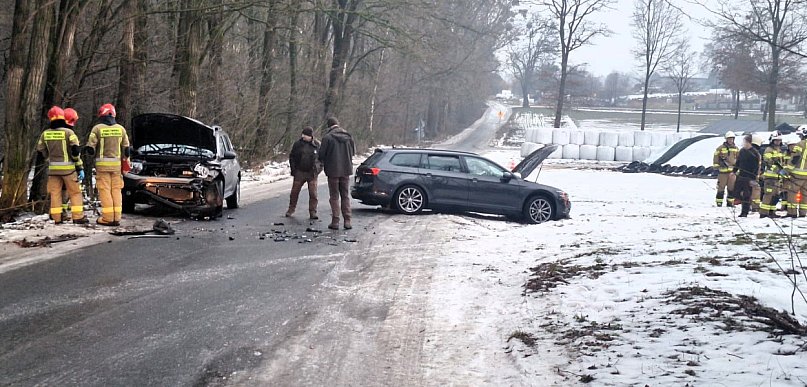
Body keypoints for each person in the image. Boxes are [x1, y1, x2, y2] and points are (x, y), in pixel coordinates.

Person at [36, 106, 88, 224]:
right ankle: (78, 217)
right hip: (68, 170)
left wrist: (48, 158)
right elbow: (75, 150)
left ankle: (56, 218)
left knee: (55, 194)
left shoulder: (45, 134)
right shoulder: (69, 132)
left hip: (53, 170)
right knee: (75, 193)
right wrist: (78, 166)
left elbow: (40, 149)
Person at [85, 103, 130, 226]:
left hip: (102, 166)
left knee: (105, 190)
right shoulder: (121, 129)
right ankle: (117, 217)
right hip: (116, 167)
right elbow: (127, 150)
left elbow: (90, 148)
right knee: (116, 190)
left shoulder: (97, 129)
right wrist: (126, 165)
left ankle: (108, 218)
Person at [318, 117, 355, 230]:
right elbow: (353, 152)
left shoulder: (327, 138)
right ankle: (347, 221)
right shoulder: (349, 137)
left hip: (333, 171)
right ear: (338, 124)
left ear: (329, 126)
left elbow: (321, 155)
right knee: (345, 196)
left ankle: (335, 221)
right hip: (346, 170)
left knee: (334, 196)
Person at [285, 126, 321, 219]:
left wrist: (318, 169)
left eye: (305, 135)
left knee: (313, 193)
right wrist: (294, 169)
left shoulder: (317, 145)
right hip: (300, 171)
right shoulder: (297, 144)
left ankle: (313, 212)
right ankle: (291, 209)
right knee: (294, 192)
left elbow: (322, 159)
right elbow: (292, 156)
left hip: (312, 173)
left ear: (310, 136)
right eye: (303, 134)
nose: (303, 136)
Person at [734, 134, 762, 217]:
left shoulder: (754, 153)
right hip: (741, 176)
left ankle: (744, 212)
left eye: (745, 142)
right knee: (737, 193)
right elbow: (738, 162)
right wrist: (734, 171)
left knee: (746, 194)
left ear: (749, 143)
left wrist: (753, 177)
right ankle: (741, 204)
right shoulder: (742, 151)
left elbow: (756, 166)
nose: (744, 144)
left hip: (749, 177)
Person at [760, 133, 785, 218]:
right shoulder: (768, 150)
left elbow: (782, 162)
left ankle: (772, 212)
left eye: (779, 140)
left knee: (776, 195)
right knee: (768, 194)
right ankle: (763, 213)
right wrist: (778, 170)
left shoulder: (779, 150)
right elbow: (768, 161)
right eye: (776, 140)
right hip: (770, 177)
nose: (778, 142)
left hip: (777, 178)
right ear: (772, 140)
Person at [713, 131, 739, 207]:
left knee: (731, 188)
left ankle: (730, 203)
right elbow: (715, 158)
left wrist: (737, 169)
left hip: (732, 172)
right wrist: (717, 167)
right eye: (729, 139)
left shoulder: (736, 149)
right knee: (721, 188)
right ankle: (719, 202)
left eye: (732, 139)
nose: (731, 140)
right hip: (722, 172)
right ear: (726, 139)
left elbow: (739, 159)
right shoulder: (720, 148)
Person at [787, 126, 807, 217]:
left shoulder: (800, 144)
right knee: (805, 194)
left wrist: (787, 169)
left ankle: (792, 212)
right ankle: (803, 213)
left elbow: (795, 157)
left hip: (798, 175)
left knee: (792, 193)